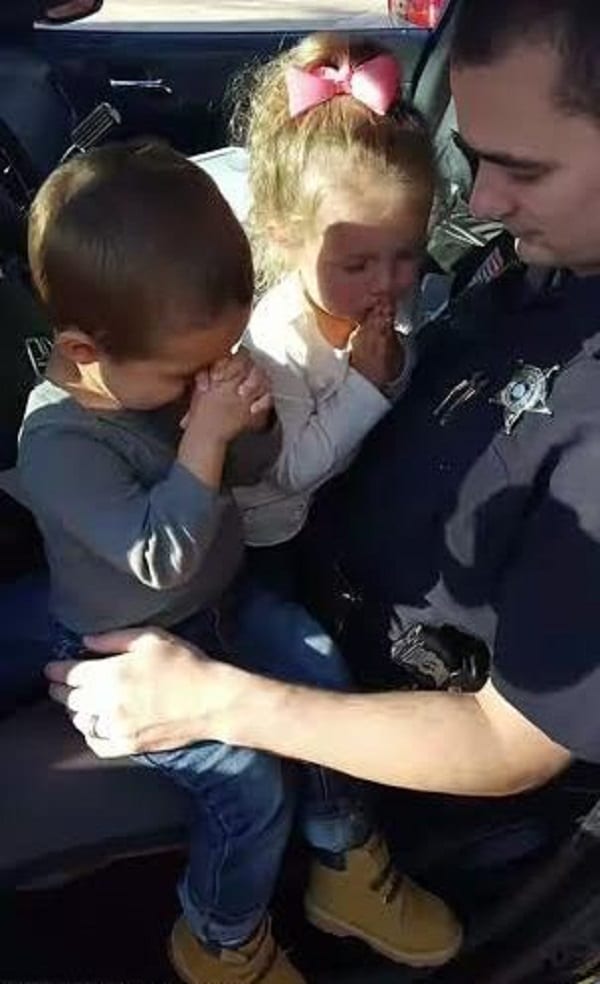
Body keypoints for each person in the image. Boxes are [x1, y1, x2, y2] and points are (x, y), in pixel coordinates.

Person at [47, 0, 600, 888]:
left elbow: (513, 742)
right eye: (477, 162)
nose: (483, 205)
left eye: (523, 169)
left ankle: (276, 907)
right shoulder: (539, 266)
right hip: (274, 567)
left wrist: (212, 700)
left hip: (360, 691)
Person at [18, 142, 461, 982]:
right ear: (82, 349)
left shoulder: (164, 378)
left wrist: (247, 425)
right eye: (187, 372)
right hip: (128, 651)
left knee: (322, 668)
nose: (205, 383)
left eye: (218, 360)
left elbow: (249, 475)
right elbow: (160, 557)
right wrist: (207, 435)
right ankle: (222, 939)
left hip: (224, 602)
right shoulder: (59, 445)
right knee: (247, 783)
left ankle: (345, 861)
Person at [232, 34, 434, 592]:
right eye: (357, 265)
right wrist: (369, 380)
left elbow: (399, 371)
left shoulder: (380, 296)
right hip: (274, 532)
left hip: (343, 496)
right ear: (285, 236)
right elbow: (288, 470)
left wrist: (393, 365)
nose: (387, 282)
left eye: (407, 255)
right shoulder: (279, 339)